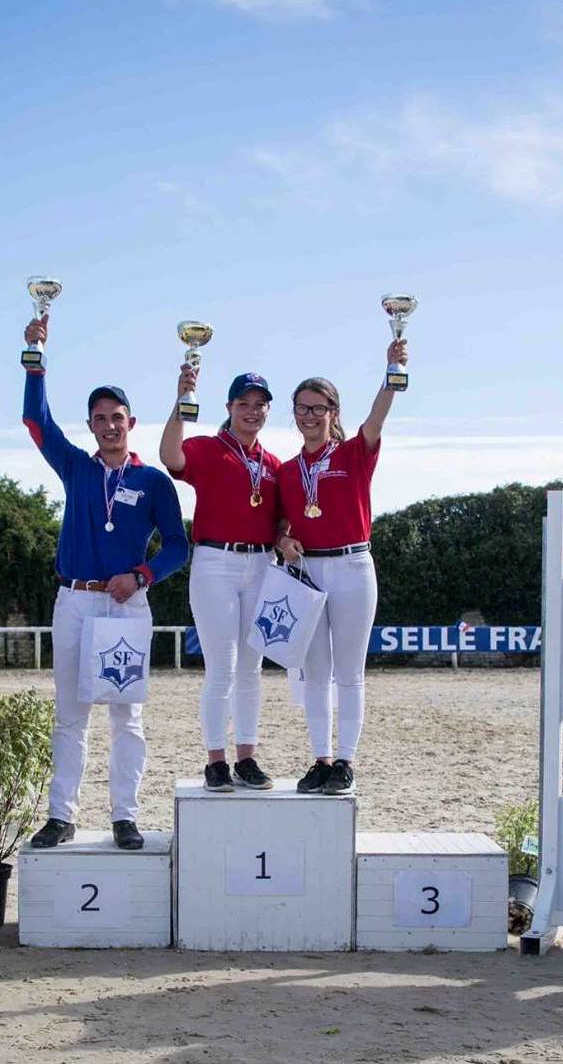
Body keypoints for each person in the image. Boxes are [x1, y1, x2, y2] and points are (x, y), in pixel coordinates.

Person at [21, 310, 188, 851]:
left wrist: (142, 574)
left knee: (127, 719)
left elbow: (179, 546)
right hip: (75, 603)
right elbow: (36, 422)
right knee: (70, 716)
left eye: (118, 417)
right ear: (90, 426)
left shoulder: (153, 481)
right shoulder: (76, 467)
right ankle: (61, 815)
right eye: (100, 419)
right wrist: (36, 360)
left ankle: (124, 816)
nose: (110, 426)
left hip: (126, 606)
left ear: (131, 423)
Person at [274, 336, 407, 795]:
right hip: (310, 574)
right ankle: (320, 758)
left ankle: (346, 760)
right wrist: (283, 539)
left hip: (352, 567)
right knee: (314, 672)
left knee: (349, 672)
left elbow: (378, 416)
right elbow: (279, 526)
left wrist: (391, 374)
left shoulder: (354, 452)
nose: (310, 416)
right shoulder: (287, 471)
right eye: (302, 408)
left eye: (319, 407)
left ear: (334, 411)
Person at [160, 367, 281, 793]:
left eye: (259, 404)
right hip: (216, 561)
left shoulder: (274, 464)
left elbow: (280, 521)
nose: (251, 411)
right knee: (222, 667)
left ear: (268, 410)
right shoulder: (208, 448)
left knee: (252, 668)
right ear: (229, 408)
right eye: (243, 404)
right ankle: (216, 760)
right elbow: (170, 456)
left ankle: (246, 758)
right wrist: (182, 399)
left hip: (262, 565)